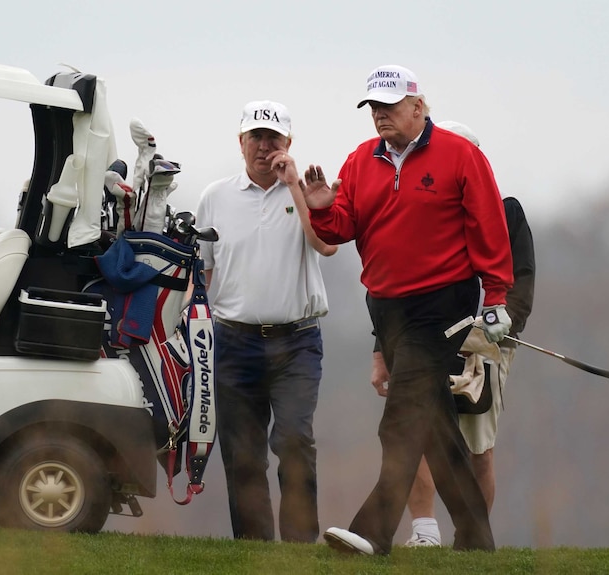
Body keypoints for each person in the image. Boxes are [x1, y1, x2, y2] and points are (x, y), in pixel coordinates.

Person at [301, 65, 513, 555]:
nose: (380, 115)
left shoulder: (461, 156)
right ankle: (476, 540)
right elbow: (341, 227)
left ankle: (372, 531)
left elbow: (488, 226)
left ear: (418, 107)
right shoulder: (360, 160)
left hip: (443, 304)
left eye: (389, 106)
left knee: (400, 419)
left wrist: (497, 295)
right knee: (434, 422)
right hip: (387, 310)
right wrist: (319, 208)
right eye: (373, 107)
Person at [367, 119, 537, 547]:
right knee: (420, 428)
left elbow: (518, 282)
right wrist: (381, 349)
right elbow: (398, 289)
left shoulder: (506, 210)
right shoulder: (420, 212)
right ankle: (424, 531)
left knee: (478, 447)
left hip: (486, 345)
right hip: (426, 338)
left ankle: (472, 538)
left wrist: (493, 329)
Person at [195, 100, 337, 543]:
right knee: (243, 454)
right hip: (233, 342)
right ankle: (254, 551)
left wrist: (294, 186)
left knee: (294, 440)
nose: (264, 146)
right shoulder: (215, 197)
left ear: (288, 144)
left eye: (273, 138)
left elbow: (325, 246)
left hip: (296, 342)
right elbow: (203, 274)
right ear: (240, 143)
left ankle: (298, 546)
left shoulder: (306, 193)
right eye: (255, 137)